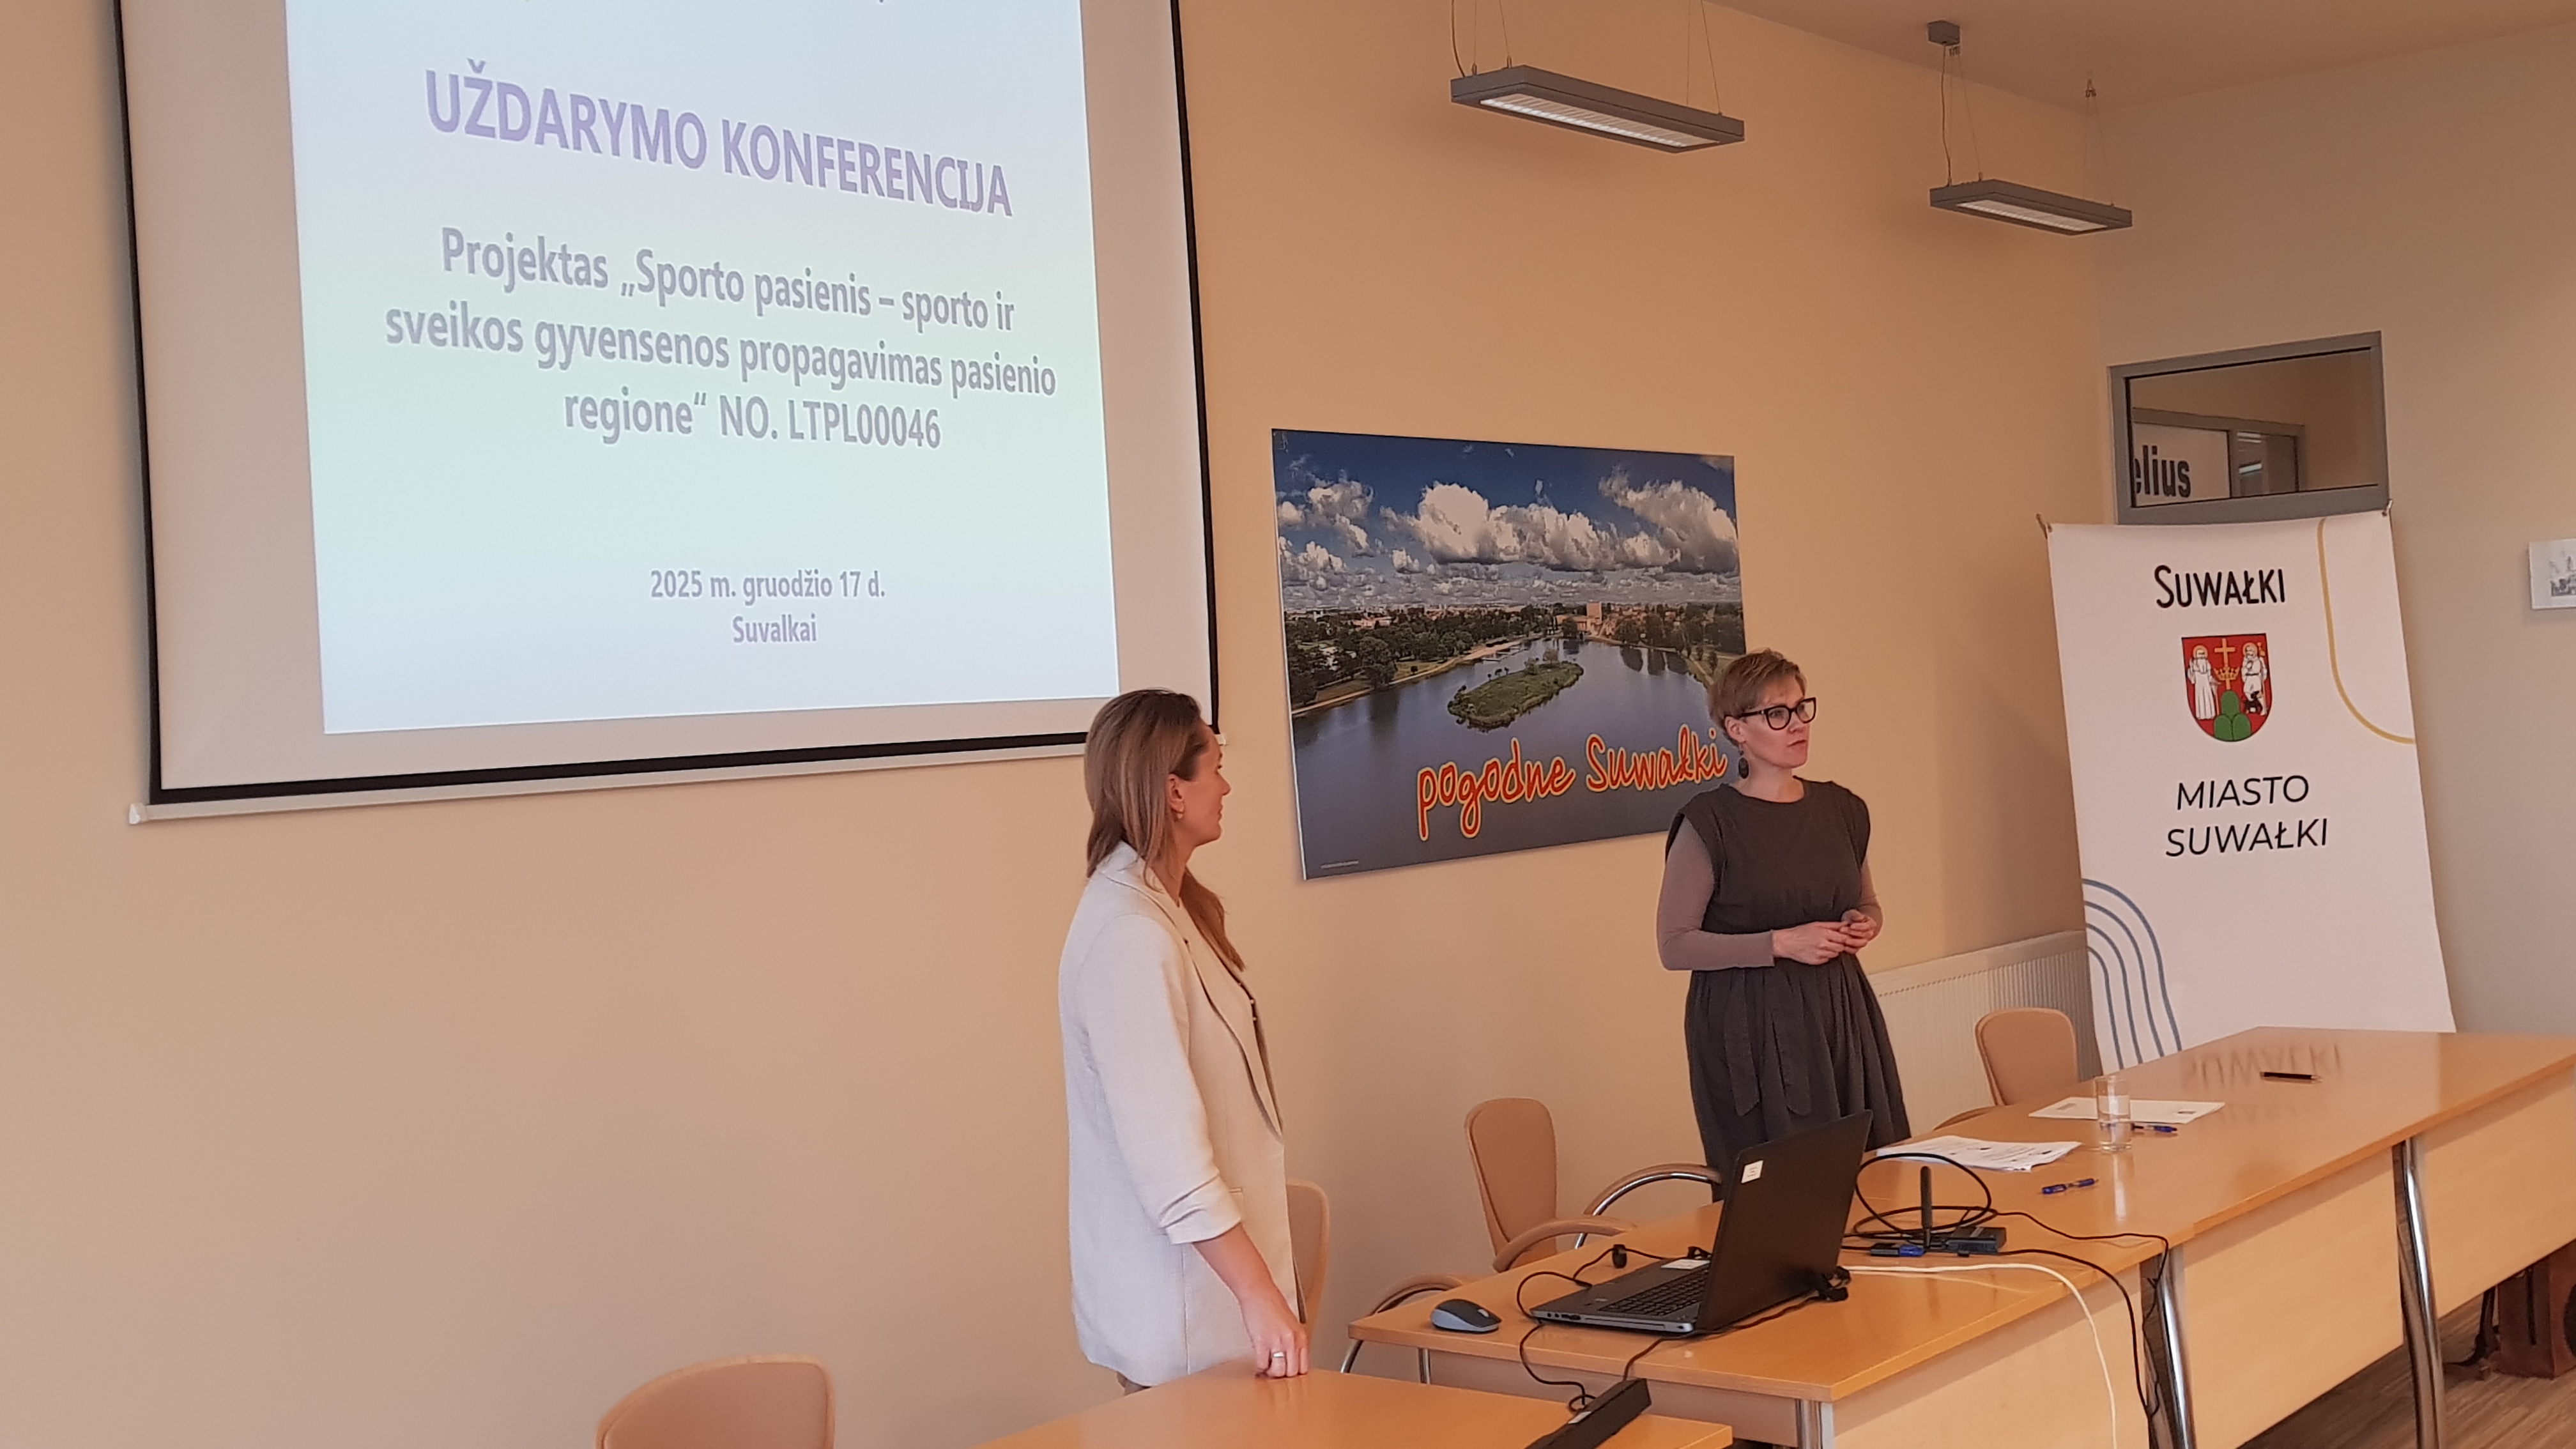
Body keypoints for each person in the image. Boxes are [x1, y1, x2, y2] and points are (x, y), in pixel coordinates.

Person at [1057, 690, 1307, 1390]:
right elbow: (1169, 1161)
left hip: (1207, 1314)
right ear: (1174, 791)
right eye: (1215, 768)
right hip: (1182, 1325)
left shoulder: (1169, 911)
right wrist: (1259, 1295)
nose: (1225, 787)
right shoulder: (1130, 936)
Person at [1656, 650, 1911, 1173]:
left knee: (1869, 1168)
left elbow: (1866, 903)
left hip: (1839, 1007)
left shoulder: (1843, 809)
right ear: (1737, 730)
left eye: (1800, 709)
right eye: (1777, 714)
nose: (1797, 724)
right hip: (1749, 1022)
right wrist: (1780, 943)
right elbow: (1674, 945)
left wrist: (1864, 925)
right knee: (1784, 1184)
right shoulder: (1709, 822)